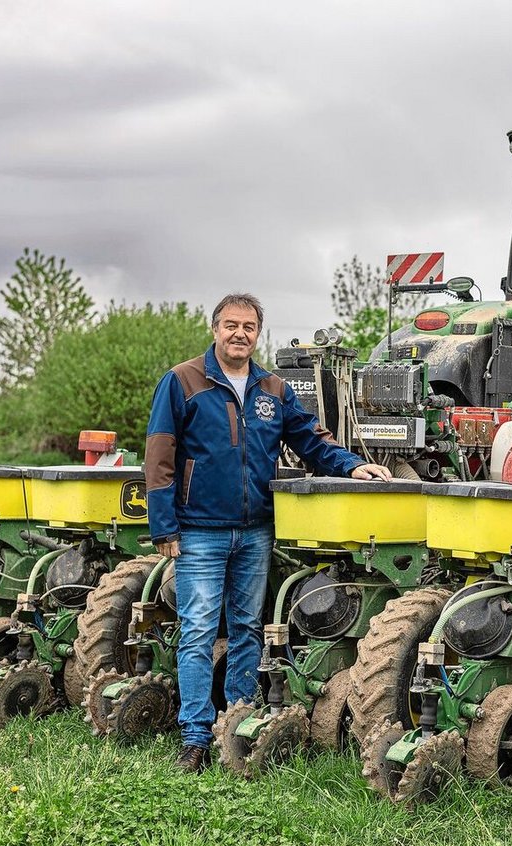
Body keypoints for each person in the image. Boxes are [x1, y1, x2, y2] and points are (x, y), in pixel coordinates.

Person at [145, 292, 391, 773]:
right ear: (214, 328)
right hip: (198, 532)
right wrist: (164, 527)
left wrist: (354, 466)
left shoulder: (273, 389)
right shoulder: (181, 381)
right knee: (196, 631)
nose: (240, 333)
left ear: (259, 334)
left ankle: (236, 723)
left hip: (256, 532)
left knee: (246, 630)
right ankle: (194, 737)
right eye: (231, 325)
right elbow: (159, 457)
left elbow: (309, 439)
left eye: (249, 327)